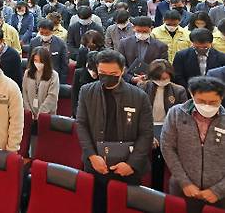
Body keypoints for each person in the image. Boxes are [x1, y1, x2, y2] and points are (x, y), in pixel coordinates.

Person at [76, 49, 153, 213]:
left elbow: (146, 134)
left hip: (127, 167)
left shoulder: (139, 96)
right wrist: (91, 156)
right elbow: (81, 124)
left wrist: (131, 164)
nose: (107, 77)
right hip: (95, 163)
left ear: (123, 71)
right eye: (102, 73)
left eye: (113, 73)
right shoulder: (87, 91)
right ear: (97, 69)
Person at [161, 76, 225, 212]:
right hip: (182, 189)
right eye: (201, 101)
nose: (207, 106)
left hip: (219, 195)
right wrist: (185, 183)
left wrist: (219, 190)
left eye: (213, 102)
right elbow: (167, 147)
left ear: (221, 98)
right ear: (191, 94)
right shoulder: (176, 114)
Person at [139, 59, 188, 190]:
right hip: (148, 126)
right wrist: (148, 134)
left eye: (165, 78)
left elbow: (183, 118)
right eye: (159, 78)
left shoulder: (179, 90)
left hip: (168, 128)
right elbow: (139, 114)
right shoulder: (143, 87)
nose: (162, 81)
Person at [117, 16, 168, 84]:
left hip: (151, 83)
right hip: (129, 83)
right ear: (133, 28)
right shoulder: (124, 43)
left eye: (145, 31)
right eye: (138, 31)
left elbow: (162, 66)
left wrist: (148, 77)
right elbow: (121, 64)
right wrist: (131, 78)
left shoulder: (161, 46)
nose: (141, 34)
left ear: (151, 29)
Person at [22, 47, 60, 119]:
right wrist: (29, 112)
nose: (38, 64)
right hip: (30, 115)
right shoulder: (28, 73)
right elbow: (24, 93)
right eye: (35, 60)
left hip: (46, 116)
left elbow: (52, 97)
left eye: (41, 61)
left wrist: (40, 114)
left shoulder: (54, 75)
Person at [29, 19, 69, 83]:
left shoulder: (61, 43)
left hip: (54, 78)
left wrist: (61, 82)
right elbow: (29, 61)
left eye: (47, 33)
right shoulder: (33, 42)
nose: (44, 35)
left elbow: (64, 65)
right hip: (36, 77)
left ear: (52, 31)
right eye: (41, 33)